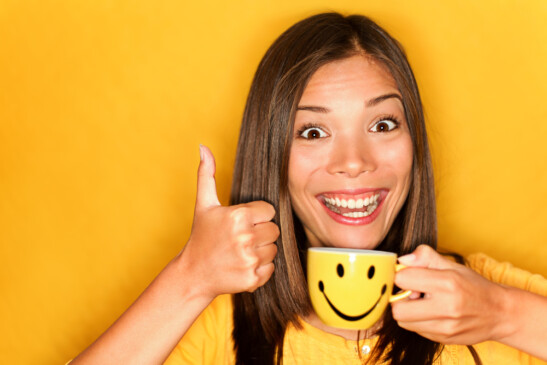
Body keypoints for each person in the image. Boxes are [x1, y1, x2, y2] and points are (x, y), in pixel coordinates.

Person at [70, 12, 547, 364]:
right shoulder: (221, 322)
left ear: (414, 142)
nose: (355, 163)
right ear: (272, 155)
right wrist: (190, 277)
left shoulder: (488, 297)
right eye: (313, 133)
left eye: (382, 123)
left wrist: (505, 314)